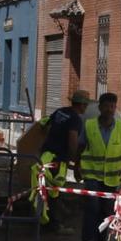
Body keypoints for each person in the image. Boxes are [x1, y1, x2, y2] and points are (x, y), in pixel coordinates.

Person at [78, 92, 121, 241]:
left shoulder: (120, 127)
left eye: (113, 106)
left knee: (107, 209)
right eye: (107, 106)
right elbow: (80, 146)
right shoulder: (89, 125)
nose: (110, 110)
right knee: (92, 206)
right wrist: (77, 166)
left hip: (112, 177)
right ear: (100, 108)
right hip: (92, 175)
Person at [31, 90, 90, 229]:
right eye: (85, 105)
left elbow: (45, 125)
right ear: (81, 105)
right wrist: (74, 161)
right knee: (54, 191)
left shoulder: (60, 111)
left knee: (44, 188)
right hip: (57, 159)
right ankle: (54, 224)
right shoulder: (75, 119)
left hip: (45, 155)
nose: (86, 108)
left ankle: (43, 220)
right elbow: (73, 140)